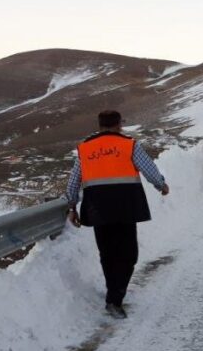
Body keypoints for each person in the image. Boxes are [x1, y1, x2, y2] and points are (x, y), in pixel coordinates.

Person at [65, 110, 169, 318]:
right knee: (128, 255)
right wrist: (161, 185)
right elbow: (149, 169)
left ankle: (113, 292)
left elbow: (74, 180)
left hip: (97, 208)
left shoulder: (85, 149)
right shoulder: (129, 145)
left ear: (100, 125)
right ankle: (115, 297)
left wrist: (71, 206)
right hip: (125, 207)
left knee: (107, 253)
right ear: (119, 125)